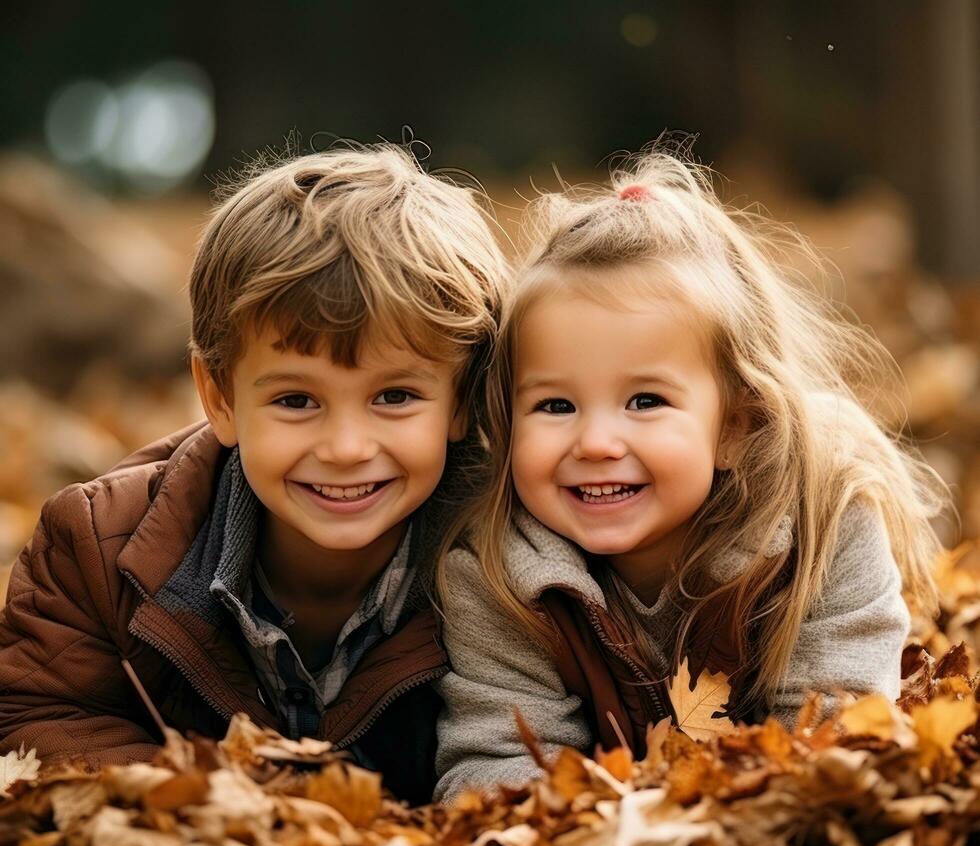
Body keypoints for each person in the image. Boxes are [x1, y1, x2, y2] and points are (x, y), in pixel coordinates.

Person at [433, 146, 948, 801]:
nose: (595, 442)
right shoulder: (499, 575)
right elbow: (495, 768)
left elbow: (836, 747)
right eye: (555, 405)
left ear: (736, 424)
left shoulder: (825, 521)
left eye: (646, 401)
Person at [0, 142, 506, 804]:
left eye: (394, 397)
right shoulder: (97, 547)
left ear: (461, 399)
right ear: (220, 400)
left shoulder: (508, 552)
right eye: (297, 401)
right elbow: (41, 719)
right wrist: (226, 812)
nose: (348, 447)